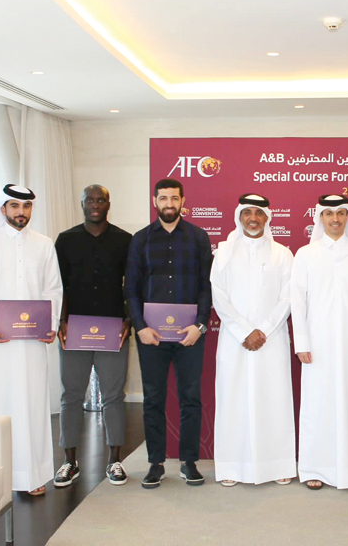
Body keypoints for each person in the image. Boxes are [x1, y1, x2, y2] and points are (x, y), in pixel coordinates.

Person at [0, 184, 62, 496]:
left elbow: (53, 289)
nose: (21, 213)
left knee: (32, 407)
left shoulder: (44, 244)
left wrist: (52, 324)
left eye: (27, 207)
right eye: (15, 206)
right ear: (3, 208)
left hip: (32, 343)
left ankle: (31, 477)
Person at [125, 178, 212, 489]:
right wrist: (140, 327)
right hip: (152, 337)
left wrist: (200, 325)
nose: (169, 204)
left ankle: (189, 462)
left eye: (174, 198)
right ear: (155, 201)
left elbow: (206, 286)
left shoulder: (199, 238)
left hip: (189, 335)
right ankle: (155, 463)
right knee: (153, 399)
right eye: (163, 198)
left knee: (190, 398)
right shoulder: (140, 240)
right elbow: (131, 288)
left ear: (183, 201)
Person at [290, 195, 348, 490]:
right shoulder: (306, 253)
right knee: (318, 406)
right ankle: (316, 469)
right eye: (329, 214)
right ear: (320, 217)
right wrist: (301, 342)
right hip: (317, 345)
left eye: (341, 213)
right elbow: (297, 302)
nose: (335, 219)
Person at [210, 193, 296, 487]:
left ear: (267, 218)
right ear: (239, 216)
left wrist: (264, 329)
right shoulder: (223, 252)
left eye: (258, 214)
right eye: (247, 213)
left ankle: (278, 465)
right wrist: (244, 330)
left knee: (274, 399)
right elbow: (218, 296)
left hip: (271, 340)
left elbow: (288, 296)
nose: (253, 219)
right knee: (234, 400)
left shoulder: (283, 253)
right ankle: (233, 467)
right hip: (235, 340)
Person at [53, 185, 133, 487]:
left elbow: (131, 285)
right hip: (74, 329)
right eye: (90, 200)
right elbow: (56, 284)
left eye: (101, 200)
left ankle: (115, 460)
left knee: (114, 396)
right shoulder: (66, 240)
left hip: (114, 329)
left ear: (108, 204)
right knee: (71, 395)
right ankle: (69, 461)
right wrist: (60, 320)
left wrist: (128, 319)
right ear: (82, 204)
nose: (95, 205)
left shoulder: (125, 240)